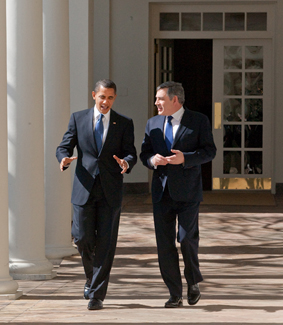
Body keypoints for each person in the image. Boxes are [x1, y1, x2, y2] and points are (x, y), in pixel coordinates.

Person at [56, 79, 137, 310]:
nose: (106, 102)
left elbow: (131, 153)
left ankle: (97, 295)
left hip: (110, 191)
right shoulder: (78, 118)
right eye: (102, 97)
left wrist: (126, 163)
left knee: (106, 244)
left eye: (110, 97)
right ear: (94, 95)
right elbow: (64, 146)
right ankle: (91, 279)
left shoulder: (124, 123)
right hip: (84, 189)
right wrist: (63, 158)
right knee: (82, 238)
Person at [140, 81, 216, 308]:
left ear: (175, 100)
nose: (156, 103)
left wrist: (187, 158)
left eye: (160, 98)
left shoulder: (198, 120)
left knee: (185, 240)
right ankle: (175, 293)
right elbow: (145, 152)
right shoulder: (152, 123)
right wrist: (153, 160)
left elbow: (209, 151)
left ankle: (193, 281)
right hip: (161, 193)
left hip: (188, 192)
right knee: (164, 245)